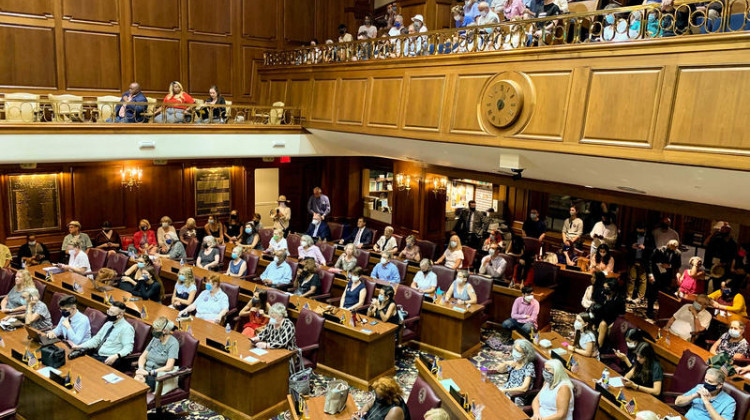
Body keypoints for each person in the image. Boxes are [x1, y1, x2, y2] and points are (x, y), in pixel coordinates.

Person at [74, 302, 135, 370]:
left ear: (120, 315)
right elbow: (96, 340)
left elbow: (128, 348)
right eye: (108, 311)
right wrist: (79, 346)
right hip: (97, 354)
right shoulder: (108, 324)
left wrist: (116, 356)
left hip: (108, 358)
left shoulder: (127, 328)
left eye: (111, 313)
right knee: (77, 363)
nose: (108, 314)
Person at [134, 317, 179, 391]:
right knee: (134, 384)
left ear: (164, 331)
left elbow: (169, 367)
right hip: (145, 371)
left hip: (157, 375)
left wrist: (150, 373)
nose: (154, 331)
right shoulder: (155, 339)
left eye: (156, 329)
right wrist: (141, 369)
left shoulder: (173, 343)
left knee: (138, 388)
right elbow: (143, 357)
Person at [646, 239, 682, 318]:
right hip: (655, 274)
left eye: (676, 247)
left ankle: (661, 312)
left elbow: (678, 265)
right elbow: (650, 262)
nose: (675, 248)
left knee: (663, 295)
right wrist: (650, 275)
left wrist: (669, 266)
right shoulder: (659, 250)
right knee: (652, 294)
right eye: (673, 246)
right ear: (668, 245)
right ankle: (649, 311)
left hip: (666, 276)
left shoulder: (677, 253)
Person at [498, 339, 537, 405]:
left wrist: (506, 390)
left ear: (525, 354)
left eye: (518, 351)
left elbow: (524, 388)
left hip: (517, 397)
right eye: (514, 349)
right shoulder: (515, 360)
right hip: (506, 390)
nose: (515, 352)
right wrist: (506, 363)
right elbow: (499, 370)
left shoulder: (529, 366)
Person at [704, 222, 738, 292]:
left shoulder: (732, 243)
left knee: (724, 284)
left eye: (726, 229)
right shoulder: (716, 239)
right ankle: (709, 295)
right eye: (722, 229)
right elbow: (705, 243)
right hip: (712, 265)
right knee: (710, 282)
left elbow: (733, 256)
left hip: (724, 267)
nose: (723, 231)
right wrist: (713, 233)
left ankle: (725, 297)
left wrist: (728, 265)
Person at [626, 223, 655, 304]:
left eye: (641, 232)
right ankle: (629, 296)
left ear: (645, 230)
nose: (639, 233)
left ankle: (640, 297)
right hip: (633, 259)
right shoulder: (632, 235)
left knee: (643, 280)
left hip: (643, 261)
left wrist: (644, 247)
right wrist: (632, 246)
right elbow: (627, 245)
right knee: (631, 279)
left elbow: (653, 248)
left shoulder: (649, 237)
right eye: (638, 232)